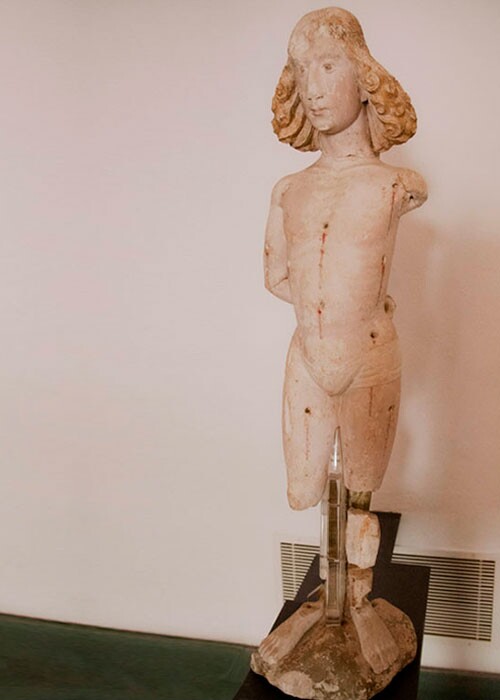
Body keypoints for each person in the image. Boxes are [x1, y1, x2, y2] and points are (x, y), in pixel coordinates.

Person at [258, 6, 427, 675]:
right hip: (307, 357)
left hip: (369, 355)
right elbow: (277, 275)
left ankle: (357, 603)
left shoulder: (397, 185)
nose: (314, 87)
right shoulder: (288, 190)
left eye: (329, 67)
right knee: (310, 492)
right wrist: (323, 309)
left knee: (359, 491)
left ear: (364, 76)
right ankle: (320, 611)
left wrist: (358, 310)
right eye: (302, 73)